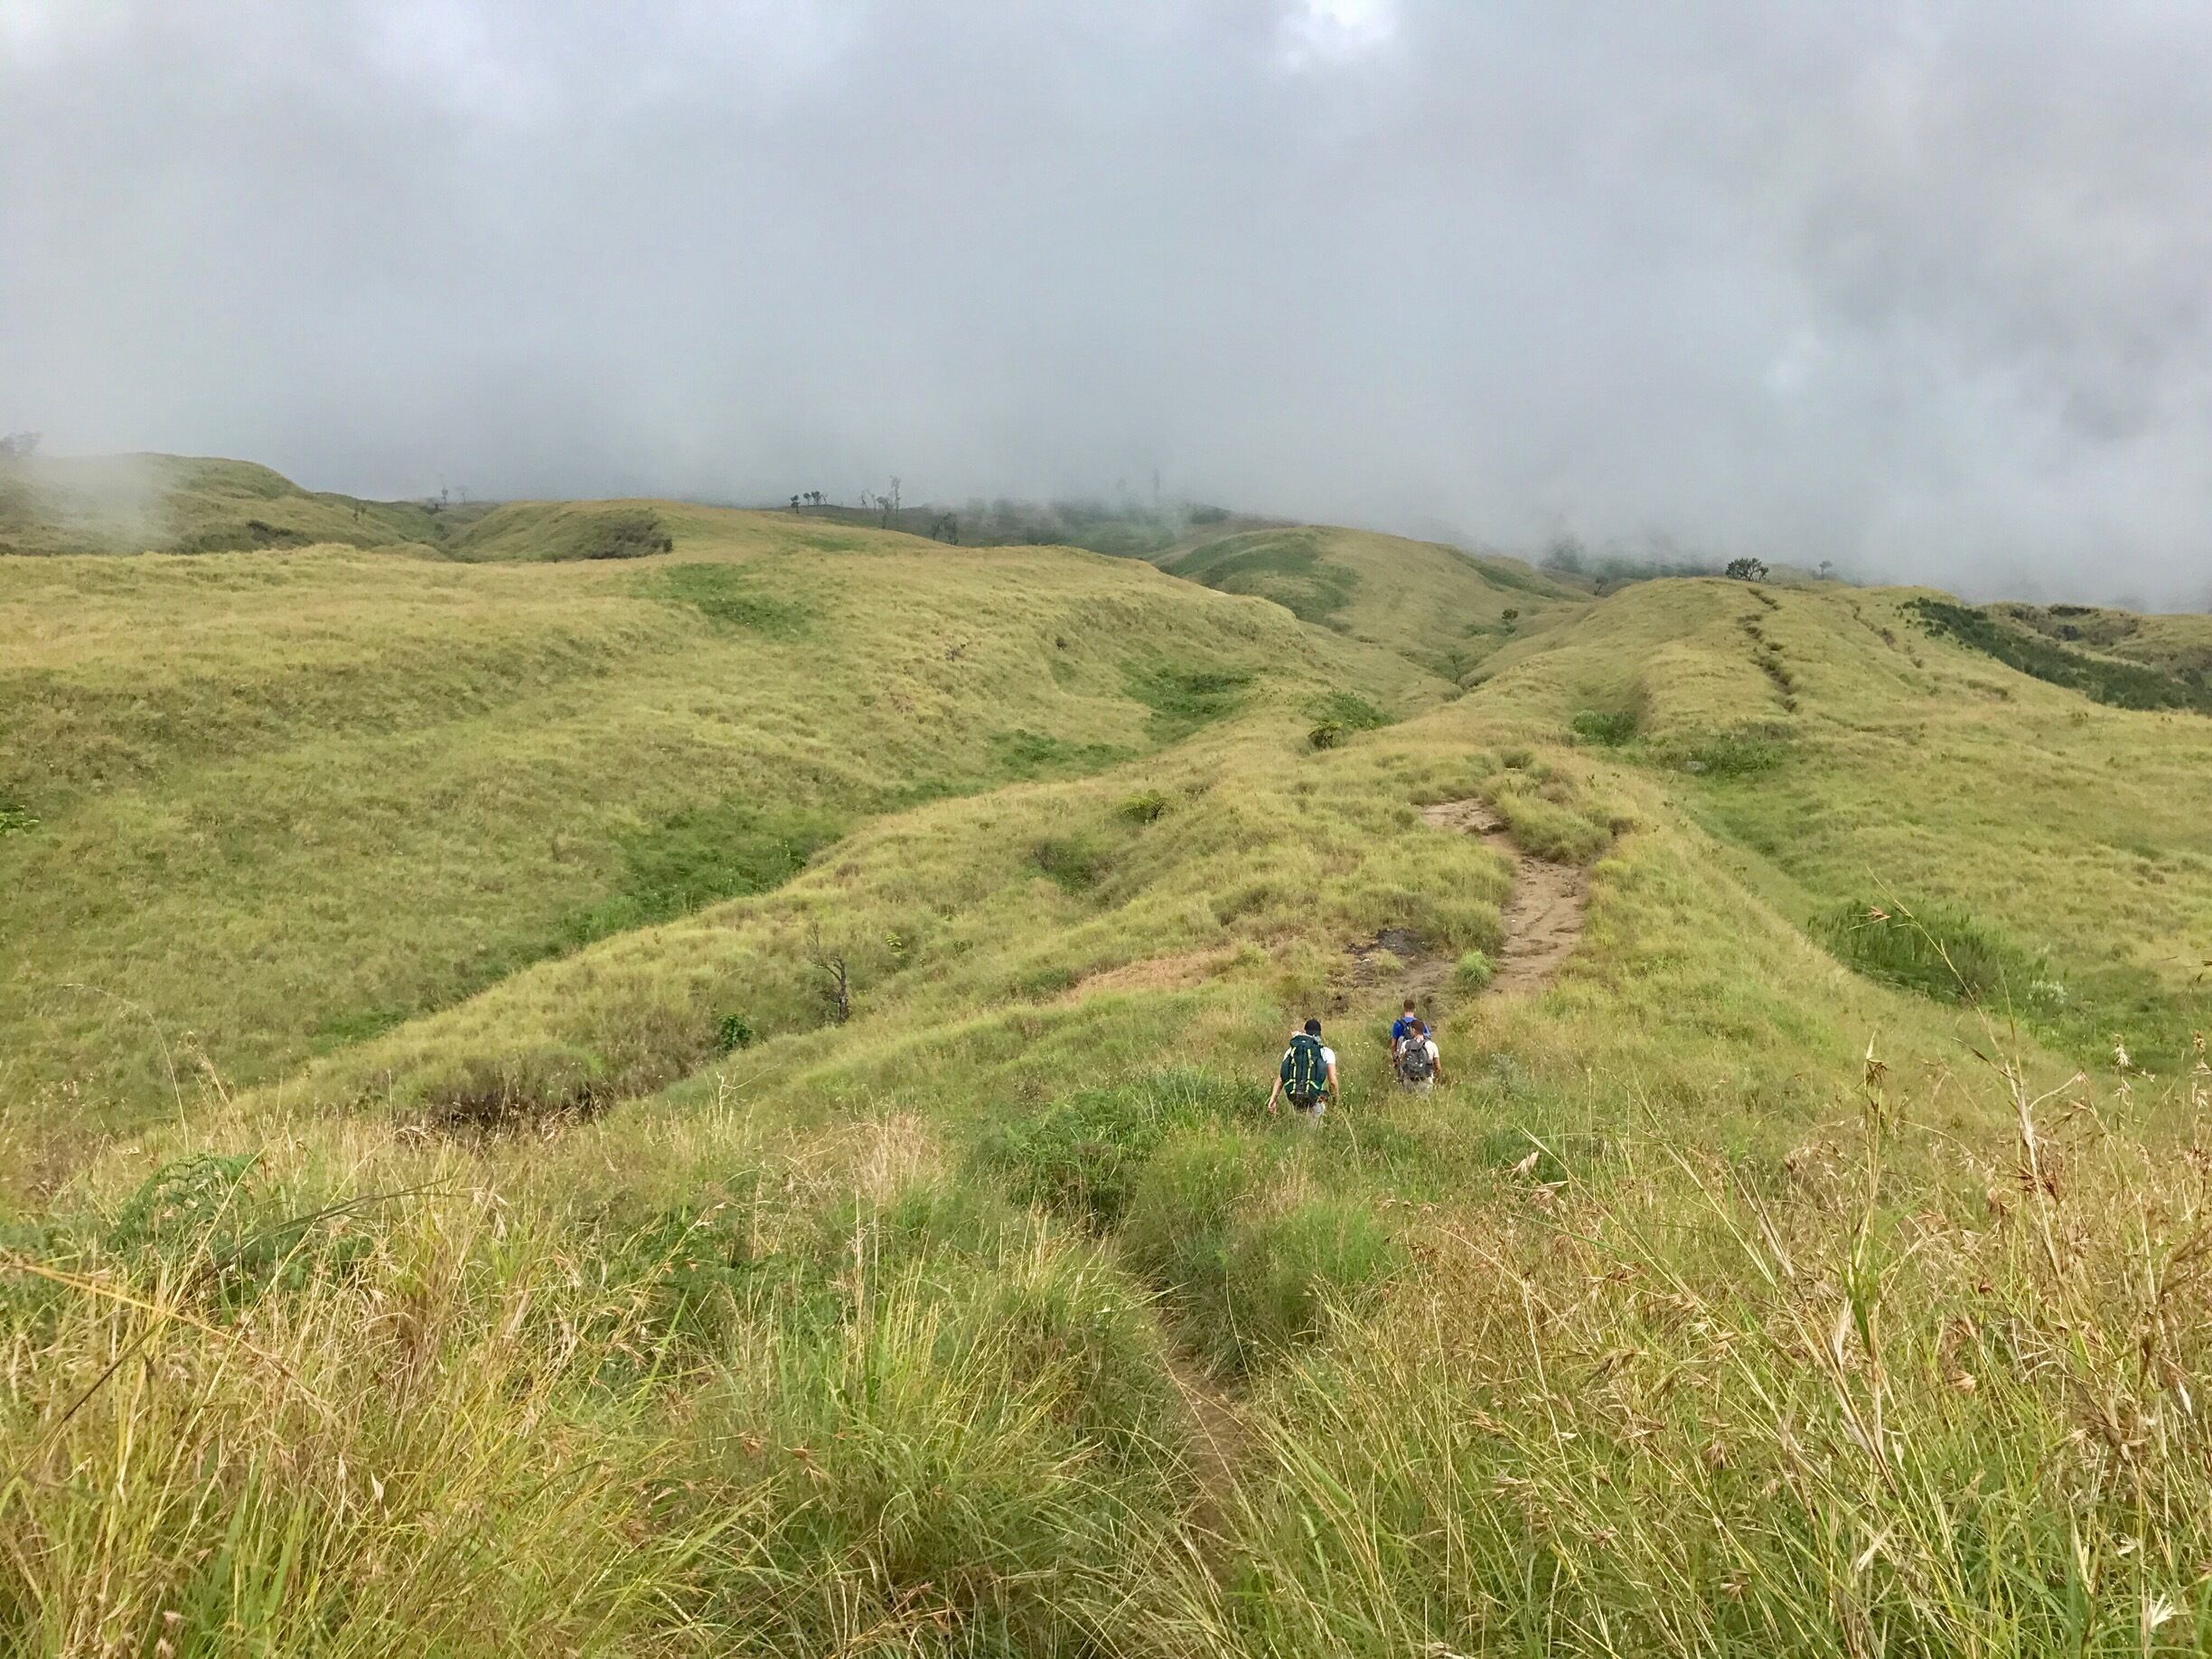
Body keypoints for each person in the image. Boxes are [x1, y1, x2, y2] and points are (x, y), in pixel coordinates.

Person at [1268, 1017, 1340, 1123]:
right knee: (1315, 1131)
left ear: (1305, 1031)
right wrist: (1335, 1102)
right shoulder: (1326, 1052)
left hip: (1295, 1097)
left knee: (1298, 1126)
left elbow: (1281, 1077)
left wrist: (1273, 1099)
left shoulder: (1292, 1050)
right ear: (1319, 1033)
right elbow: (1332, 1081)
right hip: (1315, 1098)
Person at [1394, 1019, 1445, 1089]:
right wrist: (1435, 1079)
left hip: (1409, 1082)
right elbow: (1438, 1067)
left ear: (1413, 1030)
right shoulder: (1432, 1045)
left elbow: (1401, 1062)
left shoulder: (1405, 1044)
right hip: (1426, 1082)